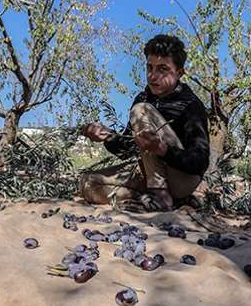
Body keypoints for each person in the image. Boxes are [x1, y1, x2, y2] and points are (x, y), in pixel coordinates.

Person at [80, 34, 210, 211]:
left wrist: (162, 150)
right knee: (88, 183)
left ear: (179, 73)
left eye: (163, 69)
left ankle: (162, 197)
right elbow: (128, 148)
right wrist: (107, 136)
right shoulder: (143, 96)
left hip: (182, 180)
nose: (153, 75)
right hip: (146, 173)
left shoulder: (190, 105)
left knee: (141, 110)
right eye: (150, 67)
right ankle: (147, 199)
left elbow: (200, 162)